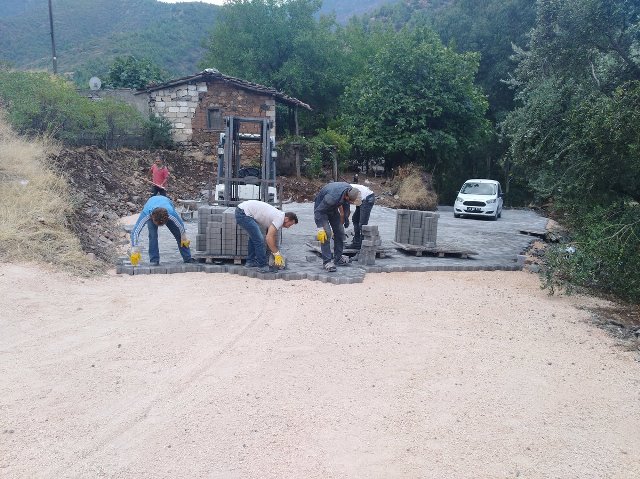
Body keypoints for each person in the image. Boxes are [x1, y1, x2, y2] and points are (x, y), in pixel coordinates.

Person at [235, 200, 299, 273]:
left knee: (254, 238)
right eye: (290, 224)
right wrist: (277, 254)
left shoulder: (279, 216)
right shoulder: (279, 218)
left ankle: (250, 262)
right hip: (243, 213)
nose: (288, 227)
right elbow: (269, 238)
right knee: (259, 240)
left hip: (243, 211)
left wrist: (275, 251)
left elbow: (272, 235)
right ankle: (262, 266)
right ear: (286, 219)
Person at [129, 195, 193, 266]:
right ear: (152, 218)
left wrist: (183, 236)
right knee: (152, 236)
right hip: (151, 203)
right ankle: (154, 261)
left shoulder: (171, 213)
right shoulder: (146, 214)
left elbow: (180, 225)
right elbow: (135, 231)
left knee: (178, 234)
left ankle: (188, 258)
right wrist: (134, 247)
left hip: (165, 202)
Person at [314, 181, 362, 272]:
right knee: (326, 234)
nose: (350, 202)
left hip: (333, 208)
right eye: (351, 201)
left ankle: (338, 258)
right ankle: (327, 262)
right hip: (321, 211)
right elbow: (318, 211)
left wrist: (346, 219)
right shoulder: (331, 198)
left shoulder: (349, 189)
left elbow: (346, 205)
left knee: (340, 232)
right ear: (347, 196)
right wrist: (320, 228)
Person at [346, 183, 375, 249]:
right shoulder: (345, 189)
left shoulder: (347, 191)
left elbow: (347, 209)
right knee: (355, 219)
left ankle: (362, 245)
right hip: (362, 197)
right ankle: (356, 242)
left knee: (362, 223)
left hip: (367, 198)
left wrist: (345, 219)